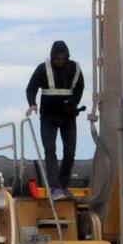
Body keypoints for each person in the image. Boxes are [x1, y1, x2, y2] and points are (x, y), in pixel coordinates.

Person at [25, 40, 84, 198]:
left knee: (70, 152)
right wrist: (32, 104)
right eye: (57, 59)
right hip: (48, 117)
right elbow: (31, 88)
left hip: (68, 117)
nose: (60, 62)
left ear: (67, 57)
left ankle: (63, 186)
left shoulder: (74, 68)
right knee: (50, 150)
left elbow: (80, 87)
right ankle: (55, 187)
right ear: (52, 57)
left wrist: (74, 104)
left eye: (63, 59)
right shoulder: (42, 69)